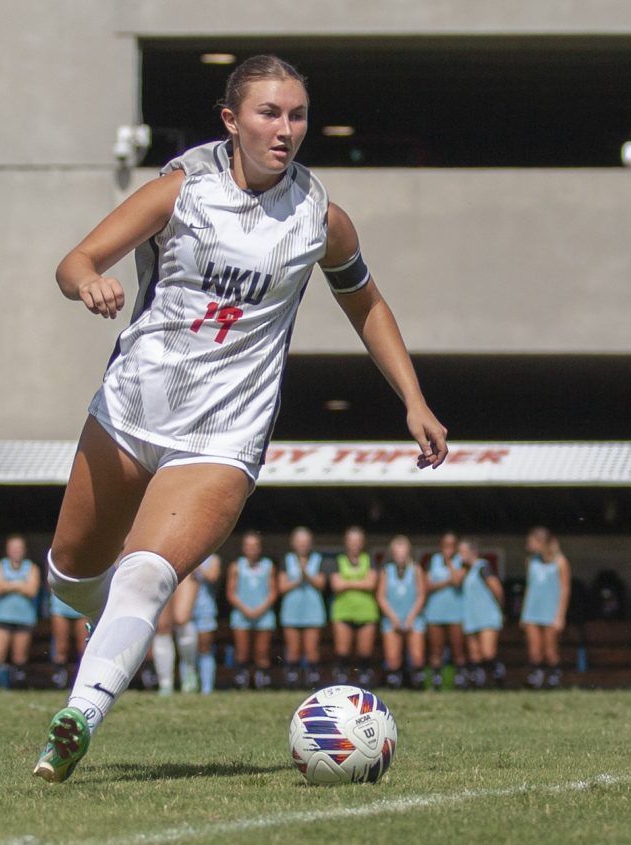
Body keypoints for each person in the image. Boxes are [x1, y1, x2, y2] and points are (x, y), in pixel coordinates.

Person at [31, 53, 447, 782]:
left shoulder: (320, 217)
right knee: (70, 577)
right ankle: (110, 639)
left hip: (226, 434)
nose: (285, 129)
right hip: (132, 408)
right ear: (231, 120)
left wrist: (412, 397)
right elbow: (76, 259)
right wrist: (90, 281)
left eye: (297, 116)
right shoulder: (178, 191)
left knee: (148, 575)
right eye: (268, 113)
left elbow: (366, 302)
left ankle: (80, 714)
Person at [0, 535, 40, 689]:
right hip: (2, 616)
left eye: (19, 548)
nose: (16, 551)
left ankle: (17, 687)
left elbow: (32, 590)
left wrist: (8, 584)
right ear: (7, 550)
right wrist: (20, 584)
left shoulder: (32, 568)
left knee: (20, 656)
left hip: (24, 617)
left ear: (24, 550)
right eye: (13, 548)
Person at [520, 527, 572, 690]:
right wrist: (524, 613)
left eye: (532, 542)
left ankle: (554, 677)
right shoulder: (531, 561)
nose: (529, 545)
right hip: (533, 610)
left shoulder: (560, 562)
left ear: (542, 543)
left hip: (551, 611)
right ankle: (536, 678)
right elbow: (530, 587)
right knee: (534, 651)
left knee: (550, 650)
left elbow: (565, 589)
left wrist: (560, 615)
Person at [227, 531, 278, 690]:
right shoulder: (236, 566)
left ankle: (262, 683)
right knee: (242, 651)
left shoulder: (268, 565)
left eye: (255, 546)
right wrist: (245, 609)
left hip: (263, 615)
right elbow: (231, 592)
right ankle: (241, 683)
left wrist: (260, 609)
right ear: (243, 548)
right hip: (241, 614)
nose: (252, 549)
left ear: (260, 548)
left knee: (262, 651)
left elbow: (273, 591)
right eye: (248, 546)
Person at [330, 525, 380, 687]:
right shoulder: (338, 560)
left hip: (366, 612)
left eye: (358, 541)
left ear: (363, 542)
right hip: (343, 612)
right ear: (346, 542)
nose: (355, 544)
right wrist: (361, 581)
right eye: (351, 541)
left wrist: (347, 582)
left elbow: (371, 584)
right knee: (342, 652)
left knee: (365, 653)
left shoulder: (369, 559)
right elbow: (336, 585)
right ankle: (342, 684)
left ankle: (363, 685)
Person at [278, 527, 326, 690]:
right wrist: (299, 579)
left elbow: (321, 584)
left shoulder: (319, 559)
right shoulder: (286, 560)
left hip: (313, 611)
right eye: (299, 542)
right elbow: (282, 586)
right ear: (293, 543)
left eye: (305, 542)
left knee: (312, 649)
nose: (302, 545)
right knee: (293, 649)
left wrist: (307, 574)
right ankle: (292, 682)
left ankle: (312, 683)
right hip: (292, 611)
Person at [377, 535, 427, 690]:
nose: (401, 556)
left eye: (404, 553)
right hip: (392, 619)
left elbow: (421, 595)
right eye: (397, 553)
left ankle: (416, 684)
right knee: (393, 658)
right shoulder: (386, 571)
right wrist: (393, 618)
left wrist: (411, 617)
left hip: (413, 618)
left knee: (417, 657)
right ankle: (394, 685)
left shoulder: (416, 570)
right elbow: (381, 596)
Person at [459, 538, 505, 689]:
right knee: (475, 655)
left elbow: (497, 589)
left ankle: (499, 677)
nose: (460, 555)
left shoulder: (483, 567)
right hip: (472, 616)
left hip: (487, 616)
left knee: (488, 653)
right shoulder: (466, 571)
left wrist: (499, 609)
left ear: (473, 552)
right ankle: (479, 685)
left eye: (463, 552)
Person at [424, 531, 467, 690]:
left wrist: (449, 564)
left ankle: (460, 681)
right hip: (435, 612)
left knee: (458, 649)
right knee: (436, 649)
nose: (448, 549)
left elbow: (457, 581)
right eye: (445, 545)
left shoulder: (461, 561)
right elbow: (427, 586)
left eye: (451, 545)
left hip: (456, 612)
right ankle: (436, 681)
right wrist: (446, 582)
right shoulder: (432, 561)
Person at [179, 553, 221, 694]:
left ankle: (206, 688)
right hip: (184, 610)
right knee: (186, 650)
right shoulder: (183, 556)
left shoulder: (213, 559)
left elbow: (213, 577)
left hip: (205, 609)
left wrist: (197, 566)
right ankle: (188, 685)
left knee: (205, 648)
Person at [48, 587, 89, 692]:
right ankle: (59, 679)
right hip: (60, 603)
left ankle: (84, 681)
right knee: (61, 646)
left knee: (83, 647)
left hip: (83, 603)